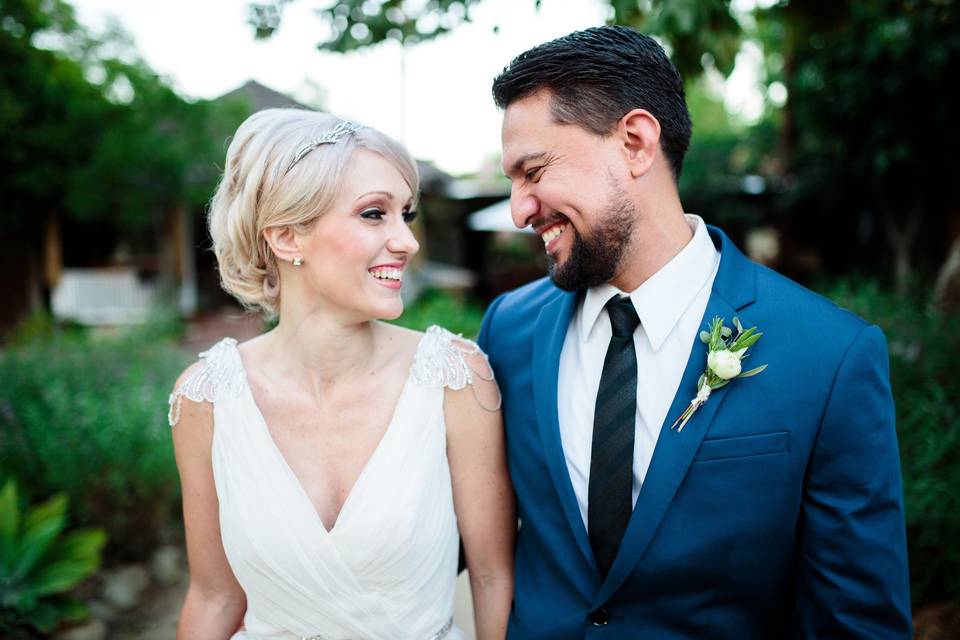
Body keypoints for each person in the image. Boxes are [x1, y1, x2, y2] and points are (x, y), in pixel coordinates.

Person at [477, 25, 911, 639]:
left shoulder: (829, 355)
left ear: (634, 142)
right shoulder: (509, 330)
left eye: (534, 171)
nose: (520, 209)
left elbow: (854, 620)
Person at [168, 109, 514, 640]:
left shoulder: (455, 381)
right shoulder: (207, 399)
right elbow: (214, 596)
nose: (407, 242)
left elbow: (491, 578)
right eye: (375, 214)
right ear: (287, 237)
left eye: (406, 214)